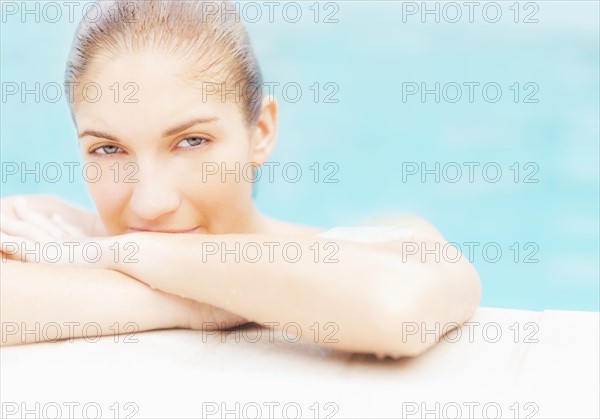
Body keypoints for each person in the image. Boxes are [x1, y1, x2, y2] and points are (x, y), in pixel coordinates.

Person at [0, 0, 481, 358]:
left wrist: (118, 253)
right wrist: (199, 305)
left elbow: (389, 310)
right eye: (108, 149)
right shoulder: (46, 228)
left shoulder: (379, 243)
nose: (150, 203)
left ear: (261, 133)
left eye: (191, 142)